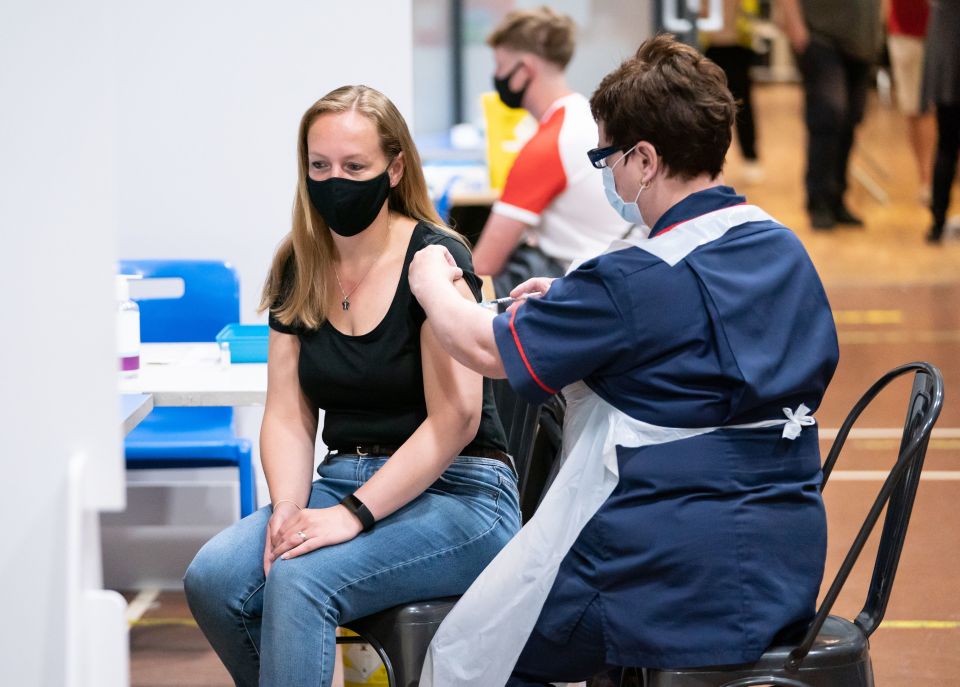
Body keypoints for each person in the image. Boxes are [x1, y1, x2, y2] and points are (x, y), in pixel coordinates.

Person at [409, 35, 839, 686]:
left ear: (644, 159)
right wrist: (576, 306)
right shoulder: (781, 247)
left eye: (607, 158)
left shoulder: (631, 278)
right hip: (784, 558)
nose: (608, 175)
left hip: (669, 575)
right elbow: (698, 340)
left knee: (474, 647)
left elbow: (478, 344)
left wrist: (430, 282)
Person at [183, 85, 521, 687]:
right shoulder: (300, 261)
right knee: (213, 579)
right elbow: (287, 414)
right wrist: (289, 508)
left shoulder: (434, 259)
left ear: (394, 169)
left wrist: (352, 516)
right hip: (344, 479)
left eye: (354, 167)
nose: (334, 180)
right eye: (319, 166)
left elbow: (456, 420)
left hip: (463, 494)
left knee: (302, 577)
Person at [473, 6, 631, 297]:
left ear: (525, 69)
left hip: (578, 280)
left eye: (499, 66)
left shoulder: (549, 144)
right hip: (613, 269)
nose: (496, 76)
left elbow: (484, 264)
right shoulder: (585, 115)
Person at [778, 0, 882, 229]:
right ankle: (818, 202)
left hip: (862, 42)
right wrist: (795, 27)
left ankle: (837, 198)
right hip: (820, 37)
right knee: (828, 114)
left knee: (850, 119)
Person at [701, 0, 765, 185]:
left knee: (742, 103)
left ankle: (750, 156)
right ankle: (708, 160)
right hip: (711, 48)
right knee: (709, 107)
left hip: (739, 46)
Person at [886, 0, 936, 205]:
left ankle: (931, 181)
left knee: (928, 110)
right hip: (906, 30)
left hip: (940, 29)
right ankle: (927, 181)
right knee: (916, 109)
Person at [922, 0, 960, 243]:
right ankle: (937, 221)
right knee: (947, 143)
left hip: (947, 54)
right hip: (950, 56)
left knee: (946, 143)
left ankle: (937, 222)